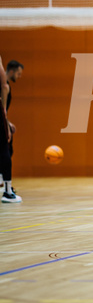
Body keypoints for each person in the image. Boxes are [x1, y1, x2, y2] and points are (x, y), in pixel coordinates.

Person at [1, 60, 23, 203]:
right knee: (6, 149)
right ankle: (7, 190)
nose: (20, 76)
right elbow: (5, 88)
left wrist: (7, 122)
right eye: (19, 73)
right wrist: (4, 119)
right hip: (1, 117)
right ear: (11, 71)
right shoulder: (5, 85)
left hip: (3, 119)